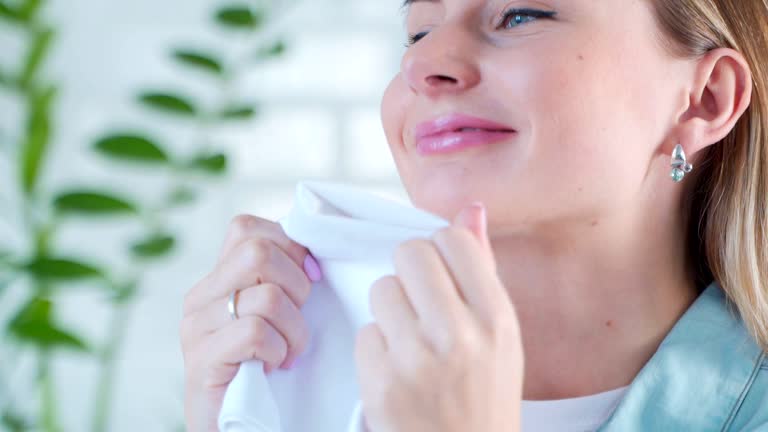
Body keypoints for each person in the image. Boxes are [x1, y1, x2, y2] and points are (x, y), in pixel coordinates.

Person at [179, 0, 768, 430]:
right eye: (418, 31)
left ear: (705, 97)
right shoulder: (297, 387)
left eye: (521, 14)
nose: (425, 63)